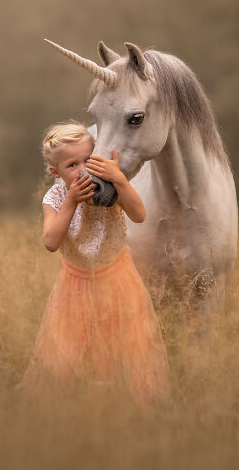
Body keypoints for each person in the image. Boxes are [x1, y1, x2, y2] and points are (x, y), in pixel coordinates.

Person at [17, 121, 170, 406]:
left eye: (88, 159)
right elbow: (51, 242)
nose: (82, 169)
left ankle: (126, 406)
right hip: (74, 286)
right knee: (67, 356)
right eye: (72, 165)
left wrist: (121, 180)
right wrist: (72, 201)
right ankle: (76, 408)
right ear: (56, 173)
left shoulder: (109, 188)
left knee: (126, 349)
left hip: (117, 280)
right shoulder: (56, 197)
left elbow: (138, 215)